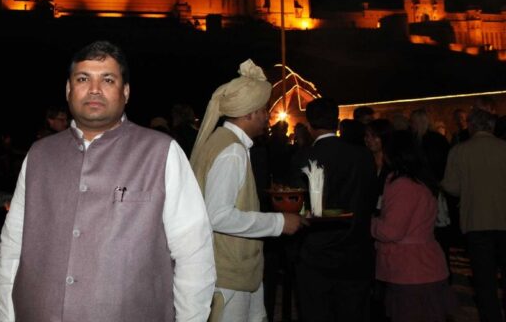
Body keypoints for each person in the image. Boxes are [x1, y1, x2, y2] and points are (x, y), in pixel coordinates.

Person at [0, 40, 216, 321]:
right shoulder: (39, 155)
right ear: (68, 89)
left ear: (125, 92)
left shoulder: (161, 153)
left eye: (108, 80)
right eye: (83, 79)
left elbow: (194, 253)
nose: (94, 89)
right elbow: (14, 245)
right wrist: (6, 315)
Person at [190, 59, 304, 322]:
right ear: (249, 113)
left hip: (235, 271)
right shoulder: (231, 150)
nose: (268, 117)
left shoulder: (224, 142)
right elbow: (217, 215)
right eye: (264, 110)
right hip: (228, 275)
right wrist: (279, 222)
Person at [291, 97, 377, 322]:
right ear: (338, 123)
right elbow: (371, 198)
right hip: (356, 251)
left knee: (316, 313)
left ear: (309, 126)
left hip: (315, 254)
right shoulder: (363, 156)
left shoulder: (303, 157)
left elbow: (297, 206)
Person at [371, 130, 453, 322]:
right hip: (425, 265)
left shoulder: (403, 184)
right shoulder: (422, 180)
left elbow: (391, 230)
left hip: (410, 269)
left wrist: (368, 223)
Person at [441, 108, 506, 322]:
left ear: (471, 126)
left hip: (476, 222)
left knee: (484, 281)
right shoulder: (503, 148)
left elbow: (452, 187)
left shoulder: (459, 151)